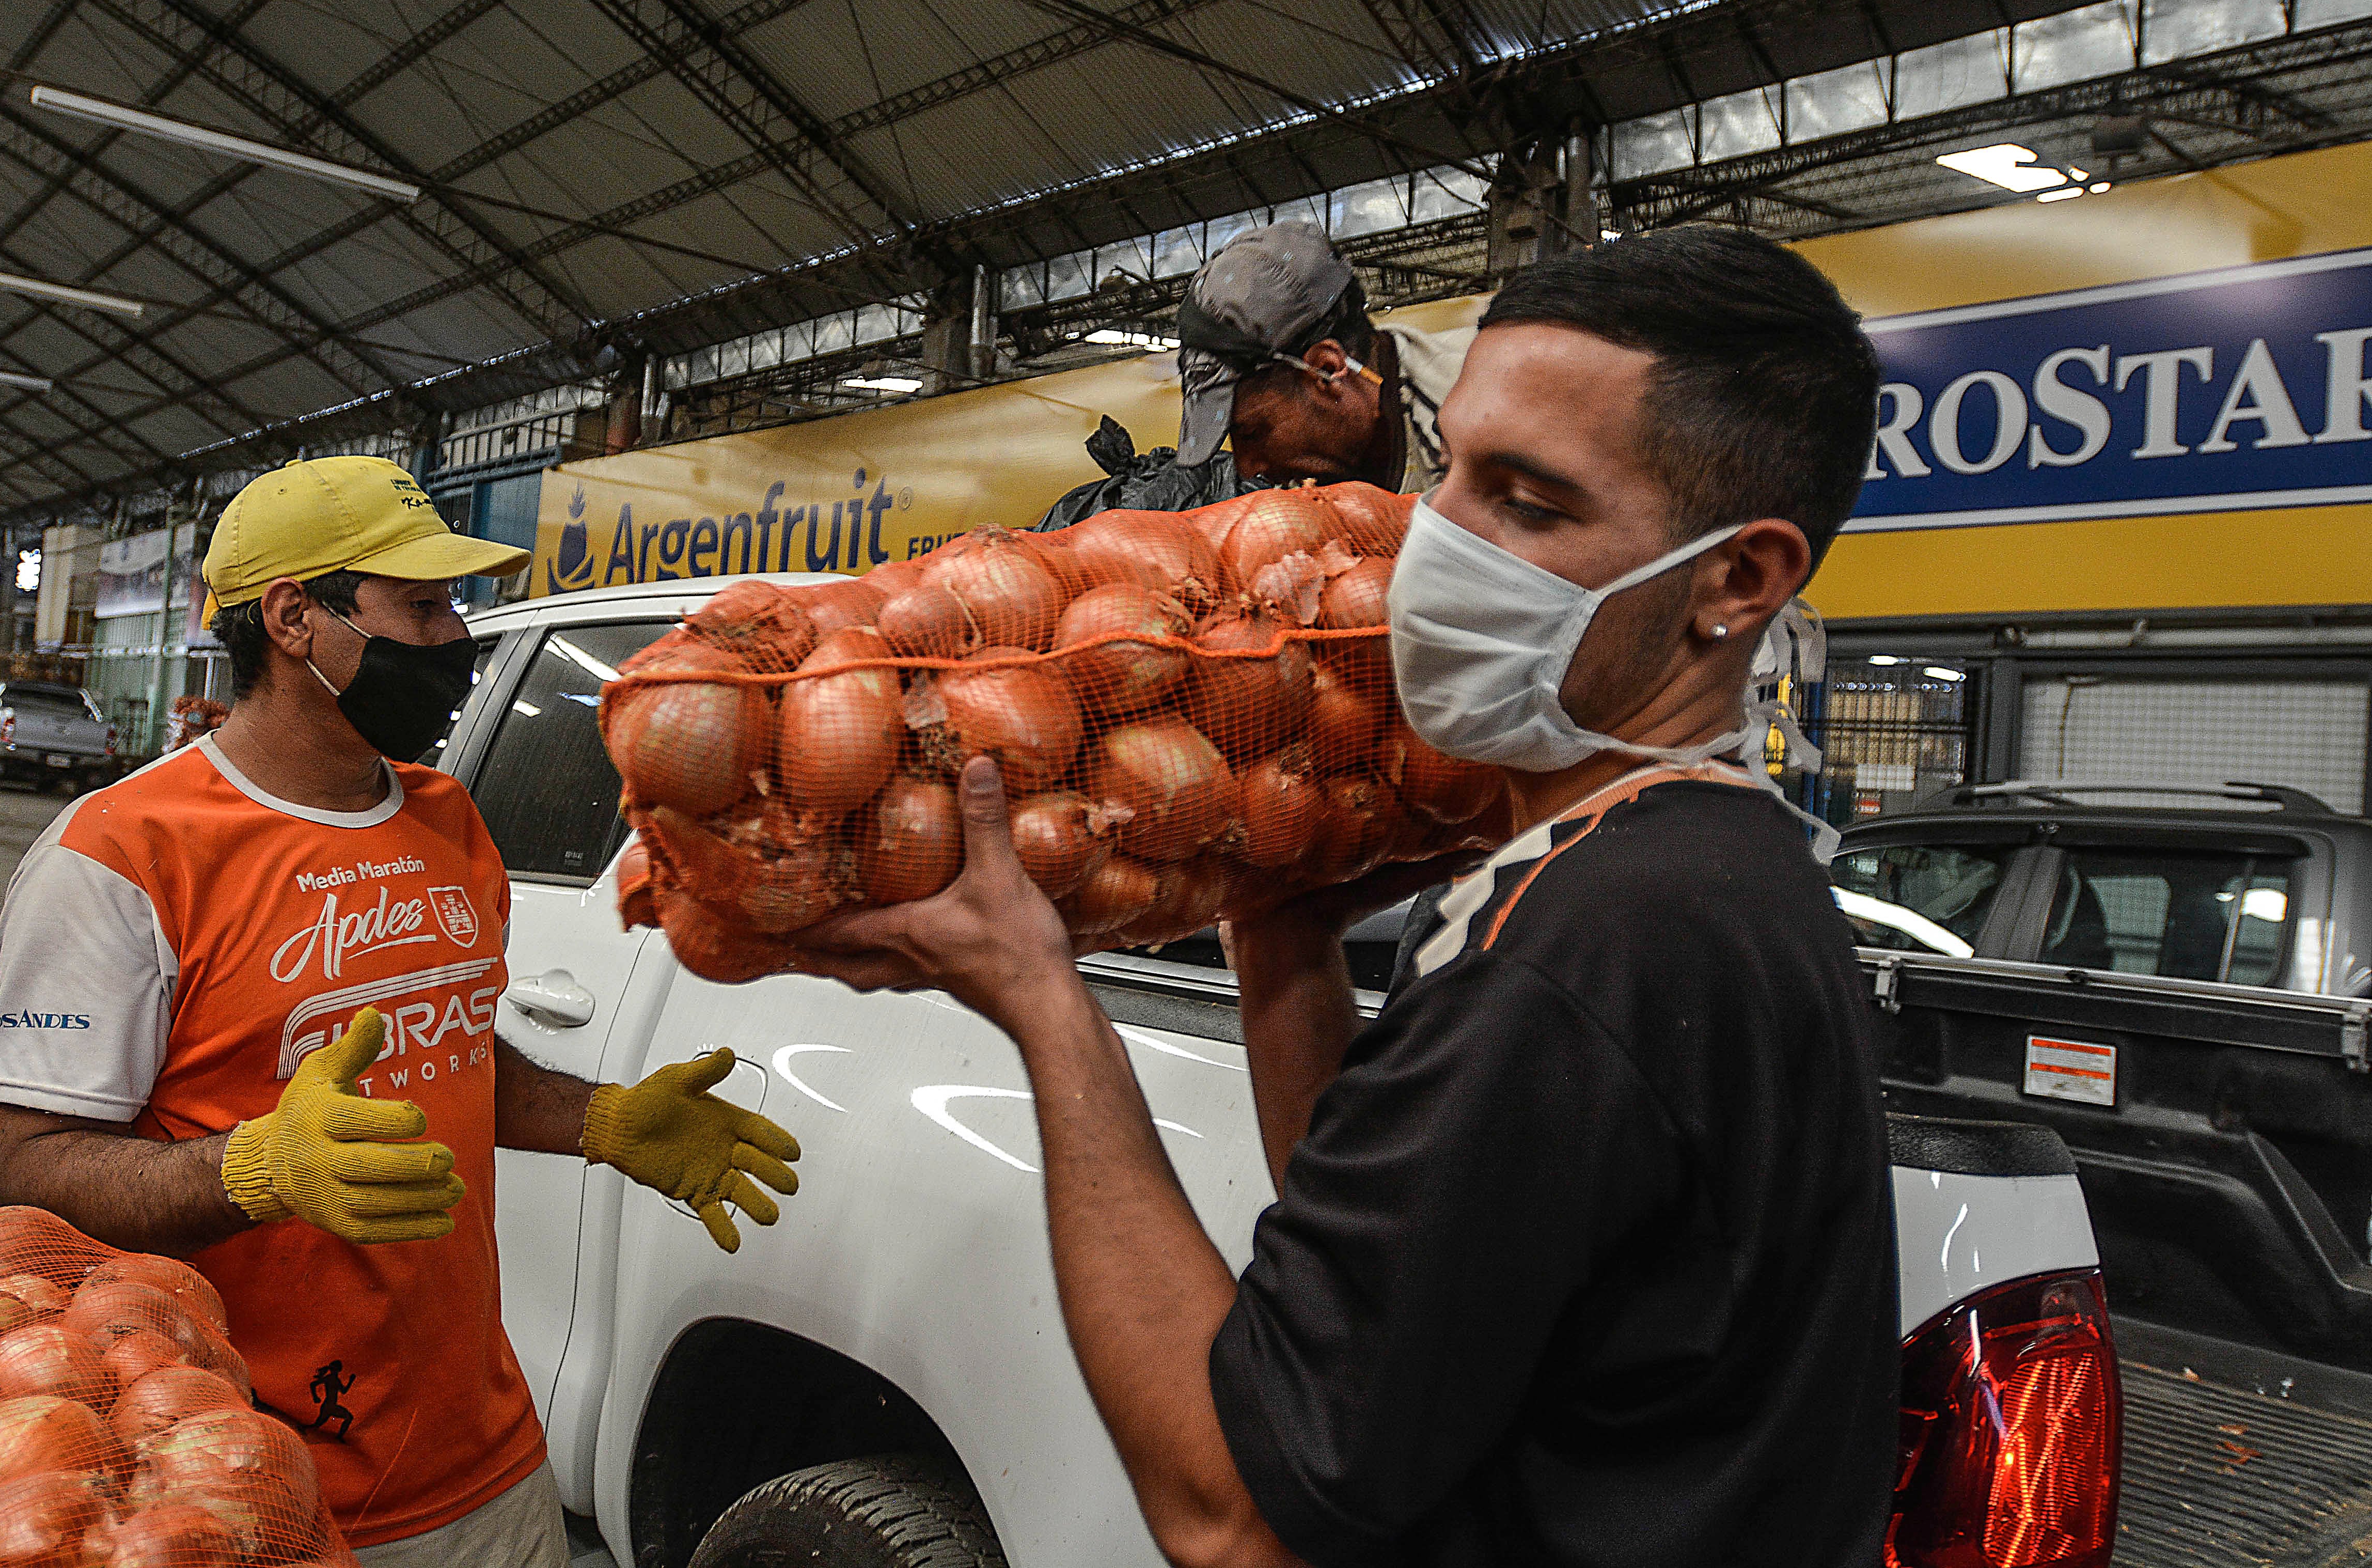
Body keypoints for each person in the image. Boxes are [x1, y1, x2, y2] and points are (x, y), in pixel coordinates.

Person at [799, 227, 1897, 1565]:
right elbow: (1401, 1301)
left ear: (1738, 582)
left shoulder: (1586, 956)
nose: (1438, 543)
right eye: (1461, 478)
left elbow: (1237, 1510)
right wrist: (1281, 927)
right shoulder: (1715, 871)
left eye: (1528, 501)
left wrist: (1043, 999)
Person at [0, 457, 804, 1567]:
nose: (453, 632)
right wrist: (254, 1169)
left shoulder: (446, 818)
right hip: (243, 1481)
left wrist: (604, 1119)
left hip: (489, 1452)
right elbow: (31, 1167)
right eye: (422, 604)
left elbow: (454, 1044)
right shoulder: (121, 855)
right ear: (295, 619)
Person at [1036, 218, 1472, 527]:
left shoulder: (1484, 423)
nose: (1247, 467)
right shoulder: (1304, 489)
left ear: (1325, 370)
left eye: (1252, 432)